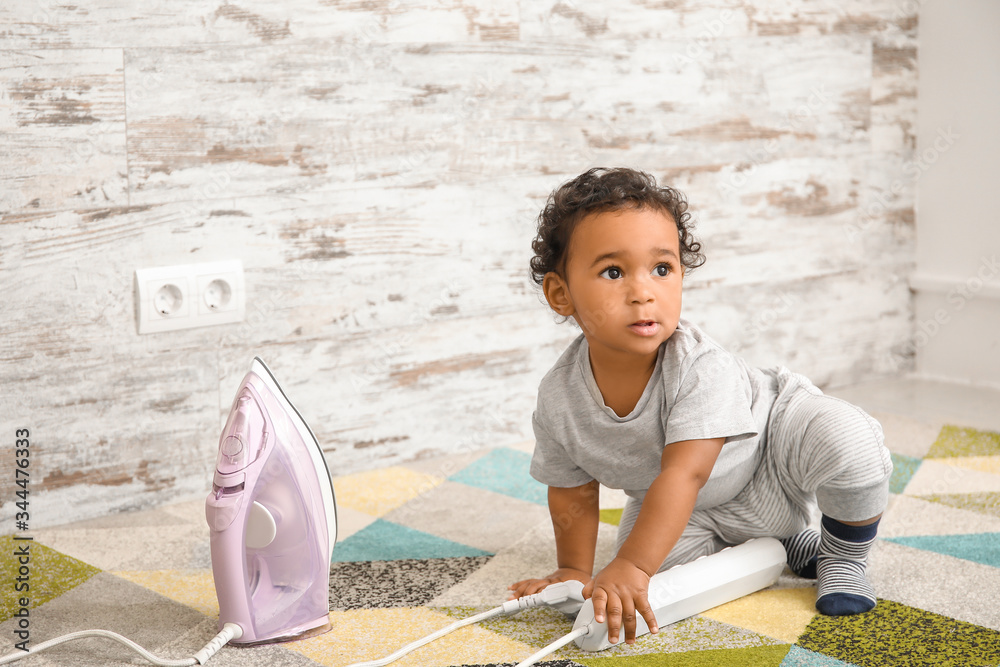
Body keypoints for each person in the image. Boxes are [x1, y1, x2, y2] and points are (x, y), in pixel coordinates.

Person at [508, 167, 892, 646]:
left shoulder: (699, 367)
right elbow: (572, 491)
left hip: (769, 453)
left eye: (662, 269)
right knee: (658, 582)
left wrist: (630, 564)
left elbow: (684, 473)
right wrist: (573, 569)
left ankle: (841, 557)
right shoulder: (559, 397)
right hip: (690, 508)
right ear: (560, 294)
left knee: (848, 440)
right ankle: (783, 541)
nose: (643, 291)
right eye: (613, 272)